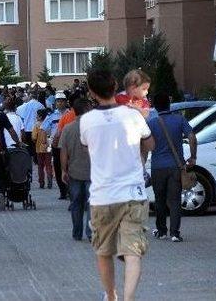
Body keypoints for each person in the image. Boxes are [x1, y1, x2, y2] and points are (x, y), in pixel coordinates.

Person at [80, 70, 154, 301]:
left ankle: (111, 295)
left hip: (102, 195)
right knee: (132, 251)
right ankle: (128, 297)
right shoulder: (133, 116)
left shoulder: (86, 120)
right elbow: (150, 143)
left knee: (103, 251)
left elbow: (87, 147)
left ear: (91, 92)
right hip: (133, 192)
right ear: (115, 87)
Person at [148, 92, 197, 242]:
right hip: (176, 166)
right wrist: (193, 156)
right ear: (169, 104)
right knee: (175, 200)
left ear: (155, 106)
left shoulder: (151, 123)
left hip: (157, 166)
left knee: (160, 200)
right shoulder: (179, 119)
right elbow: (192, 137)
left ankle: (161, 231)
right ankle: (175, 233)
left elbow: (144, 143)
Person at [60, 98, 94, 241]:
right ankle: (91, 232)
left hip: (74, 172)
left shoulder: (68, 128)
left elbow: (63, 152)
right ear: (87, 110)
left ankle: (77, 232)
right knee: (92, 203)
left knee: (76, 203)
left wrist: (63, 170)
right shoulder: (94, 128)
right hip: (93, 172)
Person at [45, 92, 69, 200]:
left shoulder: (70, 114)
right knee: (58, 168)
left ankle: (69, 189)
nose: (60, 103)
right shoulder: (51, 116)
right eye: (58, 101)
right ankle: (62, 191)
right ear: (55, 103)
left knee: (69, 167)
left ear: (65, 102)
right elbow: (44, 128)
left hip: (68, 145)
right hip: (56, 145)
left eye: (62, 101)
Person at [17, 93, 44, 163]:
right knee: (37, 145)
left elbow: (21, 116)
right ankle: (36, 159)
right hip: (38, 128)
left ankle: (29, 159)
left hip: (27, 128)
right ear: (37, 96)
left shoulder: (25, 106)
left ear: (30, 97)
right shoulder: (40, 105)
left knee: (29, 145)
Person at [32, 108, 53, 189]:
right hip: (48, 147)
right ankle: (49, 178)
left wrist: (36, 141)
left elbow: (34, 137)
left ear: (40, 117)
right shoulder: (49, 123)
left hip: (39, 148)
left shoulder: (37, 125)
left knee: (40, 166)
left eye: (37, 115)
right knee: (48, 165)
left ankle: (41, 182)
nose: (36, 117)